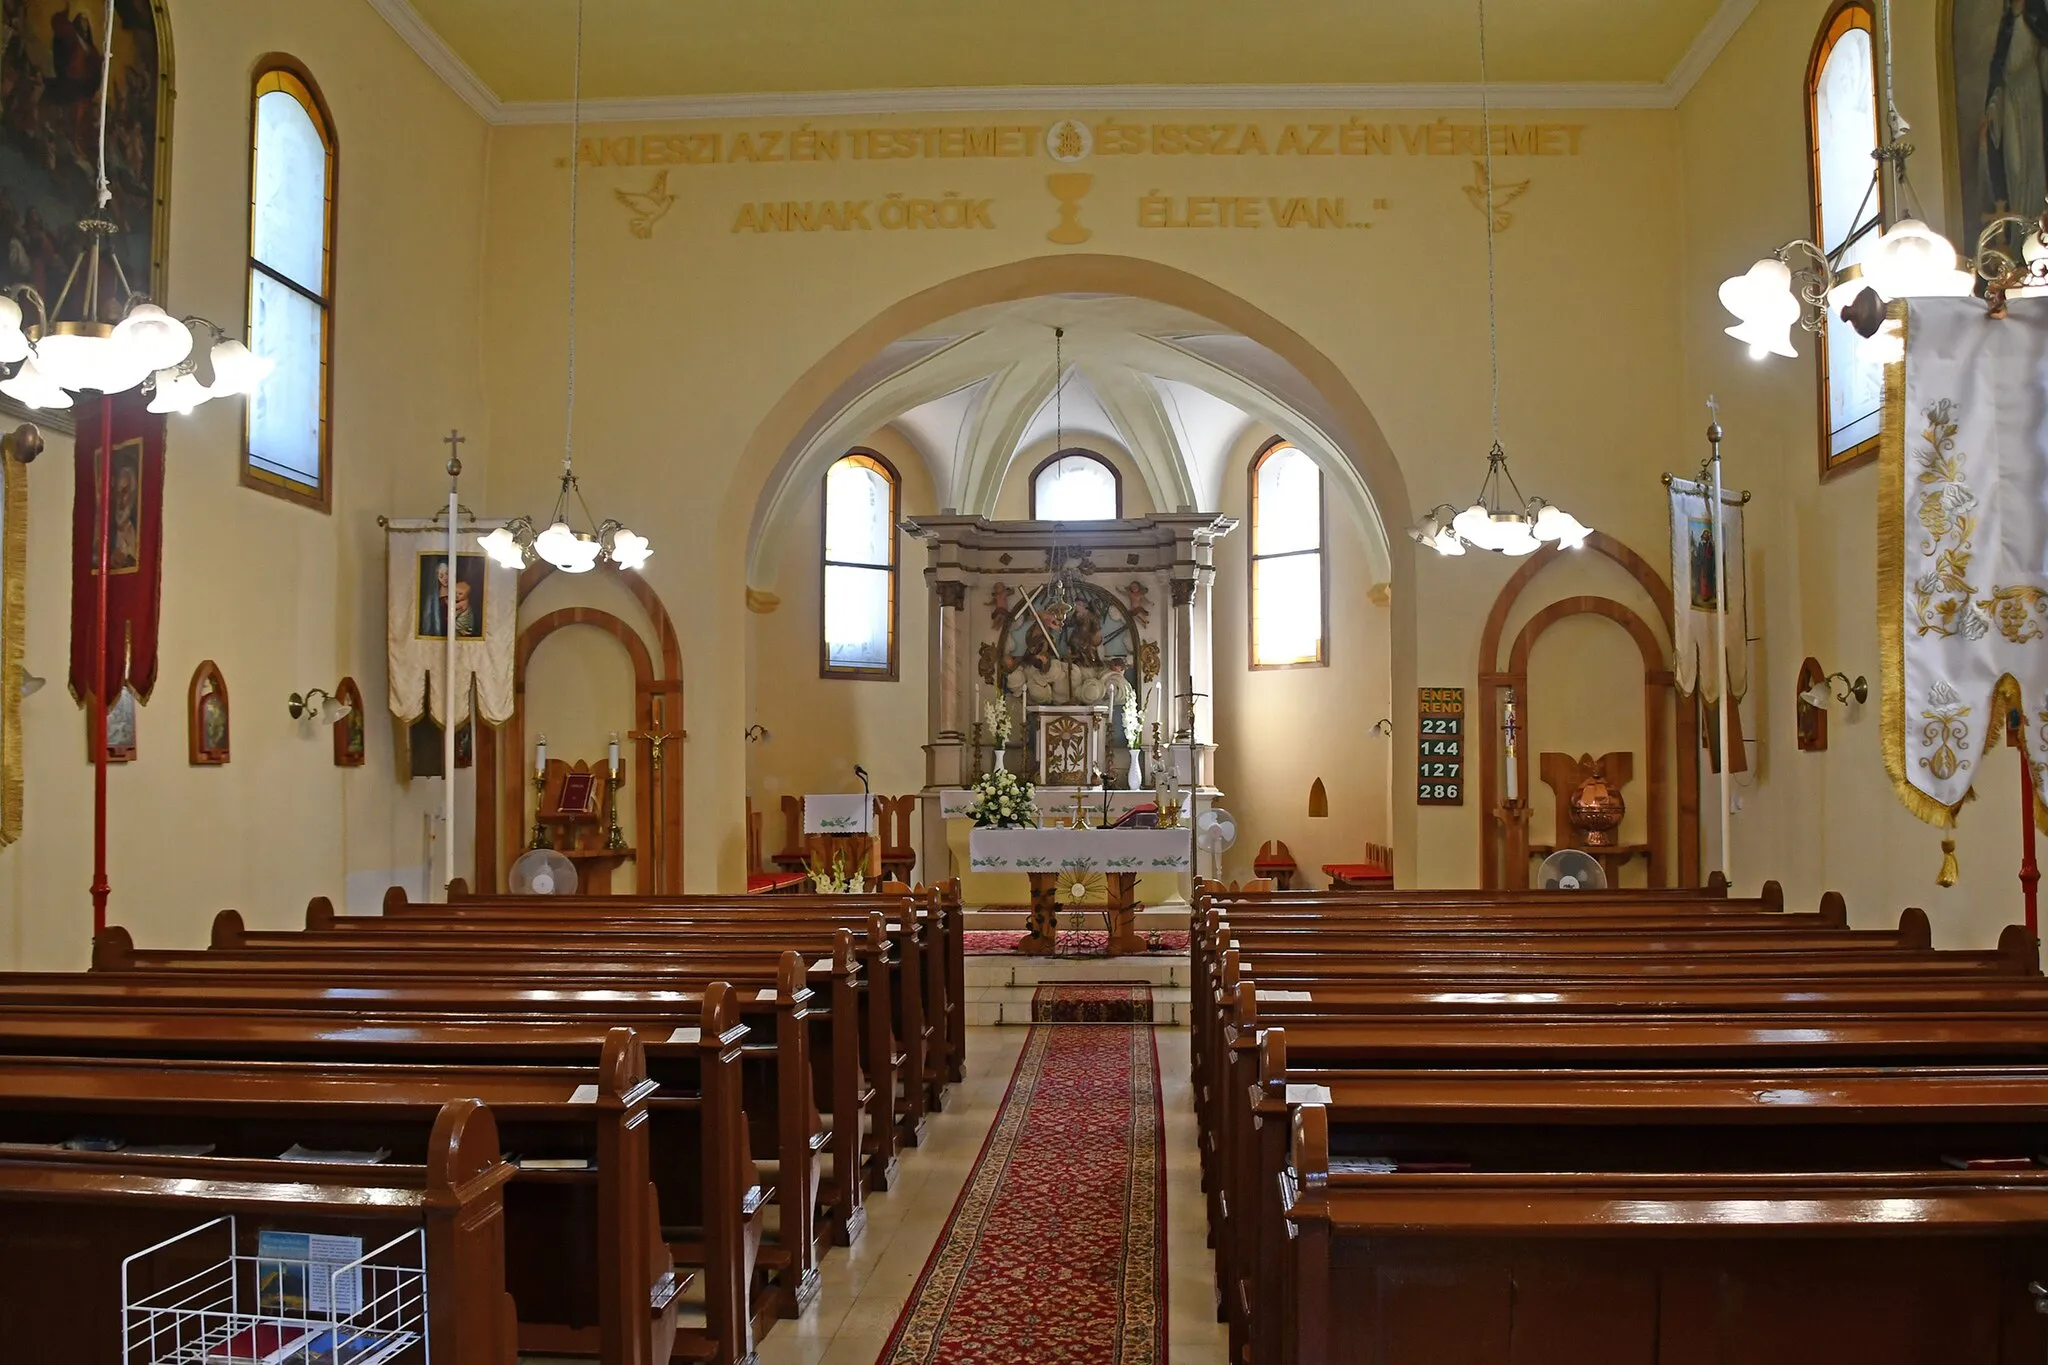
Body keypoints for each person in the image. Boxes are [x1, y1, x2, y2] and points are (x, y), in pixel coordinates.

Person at [1982, 0, 2048, 237]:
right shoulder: (2007, 24)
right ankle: (2020, 234)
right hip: (2010, 98)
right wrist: (1992, 105)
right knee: (2015, 164)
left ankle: (2036, 230)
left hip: (2032, 98)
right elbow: (1998, 69)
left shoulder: (2037, 20)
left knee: (2034, 163)